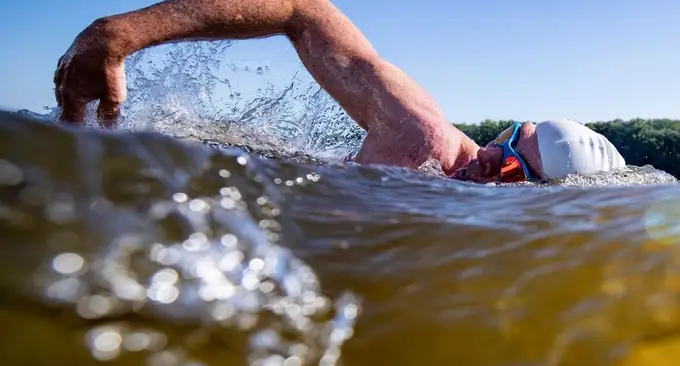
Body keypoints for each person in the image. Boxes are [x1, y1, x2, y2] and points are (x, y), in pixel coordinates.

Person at [53, 0, 626, 183]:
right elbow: (305, 10)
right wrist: (125, 34)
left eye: (512, 175)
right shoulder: (416, 129)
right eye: (504, 144)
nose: (487, 166)